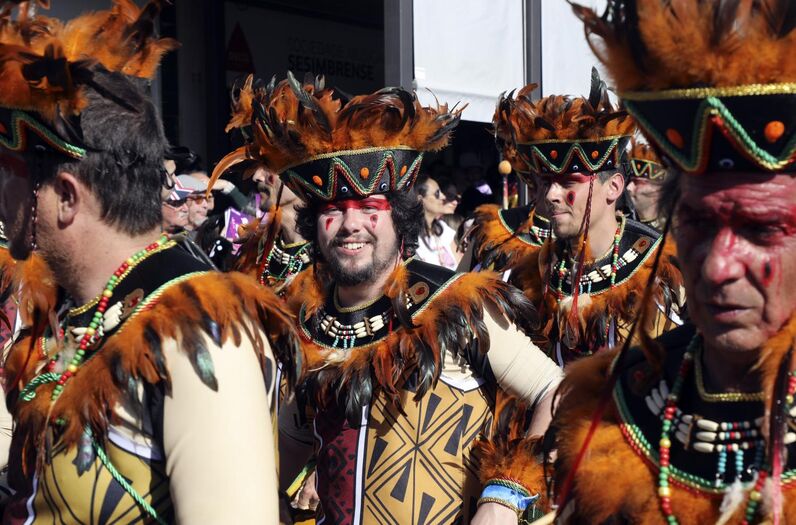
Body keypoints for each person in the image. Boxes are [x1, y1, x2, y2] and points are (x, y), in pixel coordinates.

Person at [481, 2, 796, 523]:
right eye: (696, 224)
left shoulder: (658, 269)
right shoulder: (617, 402)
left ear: (615, 189)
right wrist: (507, 490)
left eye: (760, 229)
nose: (718, 267)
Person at [210, 72, 564, 524]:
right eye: (334, 211)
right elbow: (287, 447)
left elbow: (556, 389)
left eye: (369, 210)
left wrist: (506, 493)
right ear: (315, 226)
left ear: (399, 221)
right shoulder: (307, 324)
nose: (350, 224)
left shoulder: (454, 304)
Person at [0, 3, 297, 523]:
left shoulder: (199, 333)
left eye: (10, 175)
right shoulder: (74, 309)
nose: (3, 195)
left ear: (66, 197)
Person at [500, 70, 684, 366]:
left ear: (613, 188)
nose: (551, 195)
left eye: (568, 182)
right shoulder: (531, 274)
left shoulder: (666, 268)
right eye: (546, 182)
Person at [212, 77, 314, 300]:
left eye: (269, 166)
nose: (257, 176)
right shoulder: (254, 249)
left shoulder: (333, 257)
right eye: (256, 165)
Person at [459, 85, 553, 276]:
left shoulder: (612, 238)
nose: (555, 192)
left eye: (569, 180)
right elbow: (459, 293)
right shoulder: (497, 230)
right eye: (547, 179)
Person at [415, 175, 461, 269]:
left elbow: (462, 267)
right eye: (437, 193)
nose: (443, 197)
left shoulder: (443, 229)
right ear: (420, 200)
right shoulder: (410, 238)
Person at [626, 138, 668, 231]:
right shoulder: (620, 227)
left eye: (637, 182)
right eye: (630, 181)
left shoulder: (674, 234)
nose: (629, 187)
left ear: (659, 189)